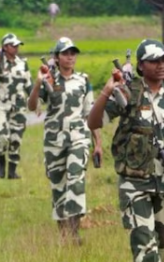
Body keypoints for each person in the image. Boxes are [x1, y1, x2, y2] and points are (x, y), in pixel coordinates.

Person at [87, 39, 164, 262]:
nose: (161, 65)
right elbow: (94, 122)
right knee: (146, 254)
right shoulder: (128, 93)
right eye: (154, 61)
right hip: (135, 184)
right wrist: (107, 91)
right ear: (141, 66)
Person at [28, 37, 102, 244]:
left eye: (73, 53)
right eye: (65, 53)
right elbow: (32, 106)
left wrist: (98, 144)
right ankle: (64, 233)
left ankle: (74, 231)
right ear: (57, 57)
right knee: (58, 185)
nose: (70, 57)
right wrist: (37, 83)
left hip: (79, 138)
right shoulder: (49, 80)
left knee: (76, 180)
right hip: (54, 141)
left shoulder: (83, 80)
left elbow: (91, 113)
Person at [0, 33, 32, 179]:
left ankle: (12, 170)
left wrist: (35, 101)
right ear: (5, 47)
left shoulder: (23, 63)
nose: (16, 48)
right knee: (2, 134)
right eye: (13, 45)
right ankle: (0, 159)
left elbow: (28, 84)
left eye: (18, 45)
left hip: (19, 105)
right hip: (2, 105)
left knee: (16, 138)